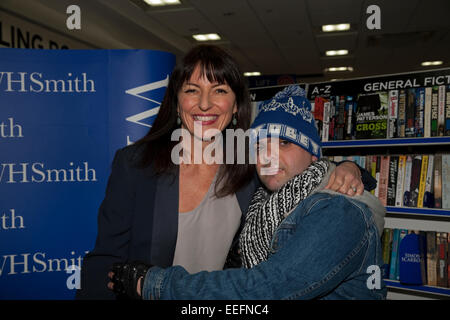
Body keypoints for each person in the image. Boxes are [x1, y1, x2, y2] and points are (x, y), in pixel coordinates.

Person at [76, 45, 375, 299]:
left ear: (235, 107)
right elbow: (104, 261)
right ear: (177, 103)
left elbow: (304, 171)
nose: (204, 104)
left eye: (219, 90)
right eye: (192, 90)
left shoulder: (248, 162)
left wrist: (349, 168)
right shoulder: (136, 163)